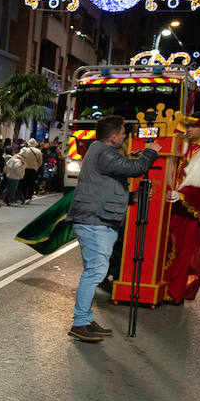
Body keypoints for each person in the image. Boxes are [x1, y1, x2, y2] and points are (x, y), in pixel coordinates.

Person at [64, 116, 160, 343]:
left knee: (94, 270)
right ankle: (80, 323)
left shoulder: (99, 152)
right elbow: (135, 168)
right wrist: (151, 151)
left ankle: (85, 319)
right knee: (95, 272)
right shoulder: (104, 153)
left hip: (97, 218)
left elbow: (103, 188)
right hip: (95, 221)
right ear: (114, 136)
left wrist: (131, 197)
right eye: (124, 132)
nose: (126, 136)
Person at [159, 116, 200, 304]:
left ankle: (177, 292)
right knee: (170, 246)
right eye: (187, 126)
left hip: (191, 209)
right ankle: (165, 285)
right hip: (173, 204)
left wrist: (183, 195)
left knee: (184, 250)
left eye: (194, 126)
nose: (189, 129)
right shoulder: (185, 145)